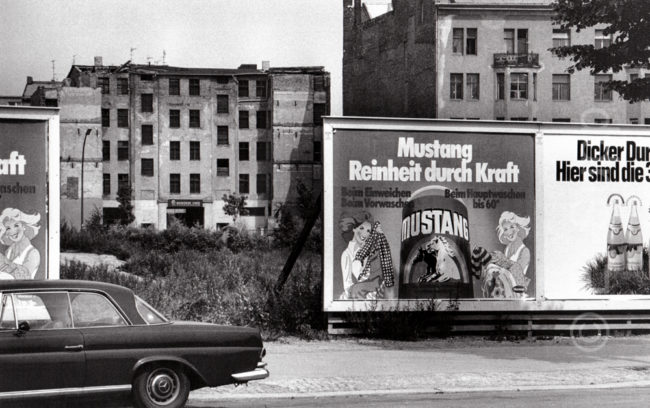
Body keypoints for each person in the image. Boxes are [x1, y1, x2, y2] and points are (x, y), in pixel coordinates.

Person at [482, 211, 531, 298]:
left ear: (518, 228)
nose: (509, 232)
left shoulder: (524, 251)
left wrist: (500, 263)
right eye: (505, 229)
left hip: (517, 289)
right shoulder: (507, 249)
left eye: (512, 227)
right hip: (504, 286)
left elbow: (517, 272)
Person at [338, 211, 373, 299]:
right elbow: (347, 284)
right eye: (362, 228)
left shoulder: (368, 252)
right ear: (354, 228)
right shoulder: (346, 255)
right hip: (362, 293)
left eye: (368, 231)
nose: (365, 234)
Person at [0, 208, 42, 280]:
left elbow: (25, 276)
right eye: (8, 228)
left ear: (24, 226)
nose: (12, 231)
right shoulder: (9, 251)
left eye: (16, 225)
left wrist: (3, 261)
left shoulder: (33, 253)